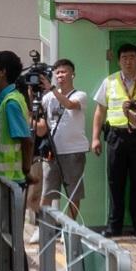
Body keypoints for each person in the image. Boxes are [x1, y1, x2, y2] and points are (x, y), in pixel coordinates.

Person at [0, 50, 34, 256]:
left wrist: (26, 170)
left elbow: (26, 141)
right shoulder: (10, 99)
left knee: (7, 238)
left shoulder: (10, 103)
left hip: (7, 182)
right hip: (3, 181)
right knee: (1, 236)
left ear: (2, 73)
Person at [92, 44, 136, 236]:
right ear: (119, 60)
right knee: (116, 182)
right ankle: (114, 226)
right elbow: (100, 111)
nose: (128, 61)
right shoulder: (110, 81)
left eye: (132, 57)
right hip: (116, 136)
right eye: (124, 57)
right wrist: (95, 139)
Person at [39, 59, 90, 217]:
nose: (60, 75)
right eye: (57, 72)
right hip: (52, 152)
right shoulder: (47, 98)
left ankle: (69, 229)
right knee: (47, 192)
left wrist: (52, 89)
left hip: (73, 151)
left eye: (64, 71)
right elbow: (42, 124)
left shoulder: (80, 95)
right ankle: (44, 227)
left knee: (73, 194)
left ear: (73, 74)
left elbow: (69, 105)